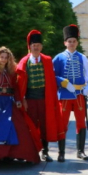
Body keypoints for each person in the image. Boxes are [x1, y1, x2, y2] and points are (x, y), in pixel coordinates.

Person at [16, 30, 64, 162]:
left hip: (44, 99)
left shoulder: (48, 60)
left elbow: (51, 81)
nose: (36, 47)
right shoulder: (24, 62)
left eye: (38, 45)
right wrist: (23, 99)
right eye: (33, 45)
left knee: (44, 125)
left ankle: (45, 151)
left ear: (41, 47)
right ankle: (29, 151)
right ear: (29, 47)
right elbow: (20, 83)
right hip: (30, 99)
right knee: (29, 126)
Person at [53, 25, 88, 162]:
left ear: (77, 42)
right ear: (65, 43)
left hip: (79, 96)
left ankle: (80, 151)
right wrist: (63, 82)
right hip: (65, 96)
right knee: (62, 124)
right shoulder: (58, 58)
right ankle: (61, 152)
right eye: (69, 41)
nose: (71, 43)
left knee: (81, 123)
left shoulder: (82, 57)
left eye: (74, 41)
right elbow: (52, 75)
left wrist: (86, 89)